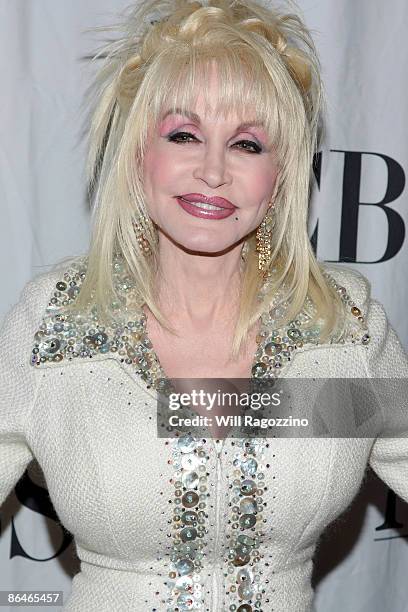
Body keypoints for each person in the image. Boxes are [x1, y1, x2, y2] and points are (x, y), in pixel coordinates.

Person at [1, 0, 407, 610]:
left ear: (282, 175)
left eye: (247, 144)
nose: (213, 170)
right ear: (140, 155)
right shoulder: (56, 322)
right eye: (184, 135)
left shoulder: (339, 328)